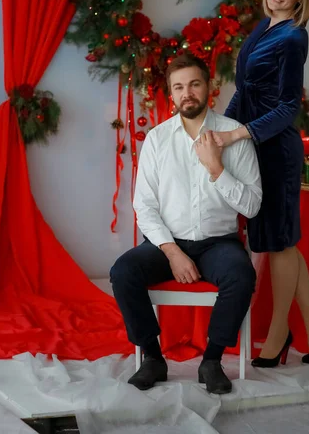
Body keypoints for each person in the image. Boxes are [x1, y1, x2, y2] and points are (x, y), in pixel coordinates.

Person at [213, 0, 309, 367]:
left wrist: (237, 133)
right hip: (254, 147)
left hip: (276, 151)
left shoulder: (292, 38)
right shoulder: (262, 28)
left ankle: (278, 333)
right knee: (278, 239)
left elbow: (288, 108)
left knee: (279, 244)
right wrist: (219, 127)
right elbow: (245, 93)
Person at [110, 53, 262, 394]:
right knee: (123, 272)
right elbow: (144, 206)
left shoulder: (233, 136)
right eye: (178, 87)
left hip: (218, 243)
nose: (187, 93)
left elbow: (252, 206)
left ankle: (211, 360)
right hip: (168, 243)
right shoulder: (157, 139)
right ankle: (152, 358)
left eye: (194, 84)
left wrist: (216, 169)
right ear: (171, 94)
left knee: (241, 274)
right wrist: (173, 252)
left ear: (208, 87)